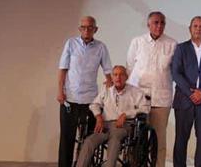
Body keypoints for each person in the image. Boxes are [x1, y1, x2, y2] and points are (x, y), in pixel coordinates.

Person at [57, 16, 112, 167]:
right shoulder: (71, 43)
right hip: (70, 98)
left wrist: (110, 93)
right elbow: (63, 69)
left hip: (90, 100)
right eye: (84, 27)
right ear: (80, 29)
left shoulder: (101, 47)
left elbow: (108, 72)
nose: (87, 30)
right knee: (66, 138)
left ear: (96, 29)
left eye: (90, 27)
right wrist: (60, 91)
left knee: (88, 139)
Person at [127, 11, 177, 165]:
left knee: (159, 139)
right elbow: (130, 66)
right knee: (136, 138)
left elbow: (175, 70)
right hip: (138, 98)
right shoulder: (137, 42)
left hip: (161, 99)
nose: (159, 26)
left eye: (162, 23)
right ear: (148, 24)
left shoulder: (172, 44)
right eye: (156, 22)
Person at [75, 65, 149, 167]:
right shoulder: (106, 91)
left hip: (123, 126)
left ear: (126, 77)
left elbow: (145, 108)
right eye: (115, 75)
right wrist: (98, 117)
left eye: (121, 75)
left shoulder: (135, 92)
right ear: (112, 77)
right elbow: (94, 104)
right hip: (105, 125)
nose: (118, 77)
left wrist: (126, 114)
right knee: (89, 141)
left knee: (114, 140)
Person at [172, 16, 201, 167]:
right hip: (184, 100)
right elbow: (176, 73)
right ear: (190, 29)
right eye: (195, 26)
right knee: (181, 138)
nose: (198, 29)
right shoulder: (181, 48)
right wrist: (191, 93)